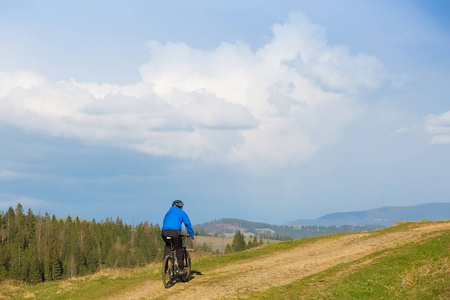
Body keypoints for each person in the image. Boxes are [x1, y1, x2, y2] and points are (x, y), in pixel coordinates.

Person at [161, 200, 195, 275]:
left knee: (168, 246)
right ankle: (181, 269)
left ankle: (165, 267)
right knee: (179, 249)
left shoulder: (168, 212)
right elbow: (188, 224)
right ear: (180, 206)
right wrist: (192, 235)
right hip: (174, 232)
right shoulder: (181, 212)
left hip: (164, 232)